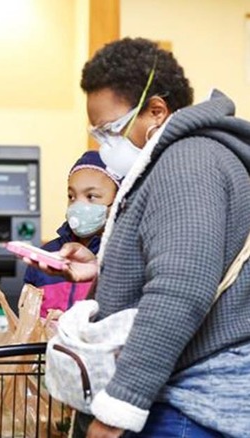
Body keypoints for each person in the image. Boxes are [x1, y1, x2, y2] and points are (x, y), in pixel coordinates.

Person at [30, 38, 250, 437]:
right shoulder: (190, 157)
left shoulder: (188, 163)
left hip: (190, 405)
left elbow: (181, 290)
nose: (103, 145)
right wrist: (103, 266)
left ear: (156, 111)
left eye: (111, 129)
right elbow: (191, 258)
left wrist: (117, 411)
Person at [23, 151, 120, 318]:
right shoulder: (48, 255)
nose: (78, 205)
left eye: (91, 197)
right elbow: (26, 317)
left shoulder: (125, 257)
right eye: (72, 196)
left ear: (119, 199)